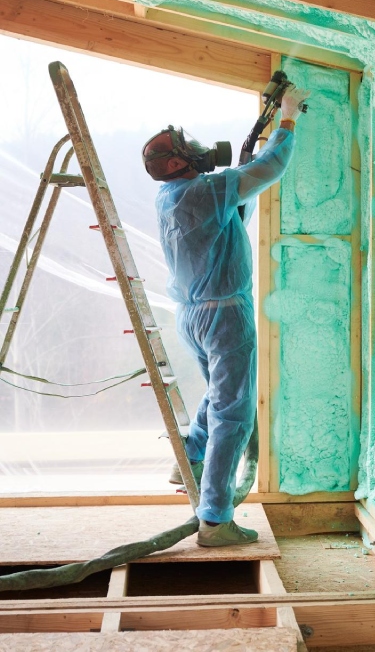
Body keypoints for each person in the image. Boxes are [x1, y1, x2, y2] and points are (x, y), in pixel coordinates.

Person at [141, 86, 309, 547]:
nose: (196, 150)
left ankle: (188, 454)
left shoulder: (172, 197)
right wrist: (288, 119)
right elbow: (269, 171)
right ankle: (215, 520)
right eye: (186, 149)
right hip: (224, 317)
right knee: (233, 414)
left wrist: (246, 153)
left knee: (220, 394)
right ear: (176, 163)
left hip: (194, 316)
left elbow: (233, 212)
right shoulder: (206, 188)